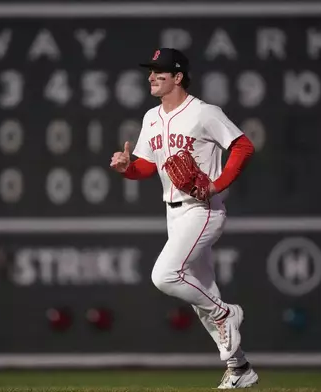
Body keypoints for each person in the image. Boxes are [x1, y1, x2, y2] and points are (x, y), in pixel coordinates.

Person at [109, 48, 258, 389]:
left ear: (178, 77)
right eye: (150, 71)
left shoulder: (204, 113)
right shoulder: (151, 118)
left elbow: (244, 146)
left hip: (203, 209)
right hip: (173, 213)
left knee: (164, 275)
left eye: (159, 72)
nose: (151, 77)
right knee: (201, 292)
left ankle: (226, 312)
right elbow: (146, 166)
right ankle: (239, 368)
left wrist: (216, 185)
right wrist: (126, 168)